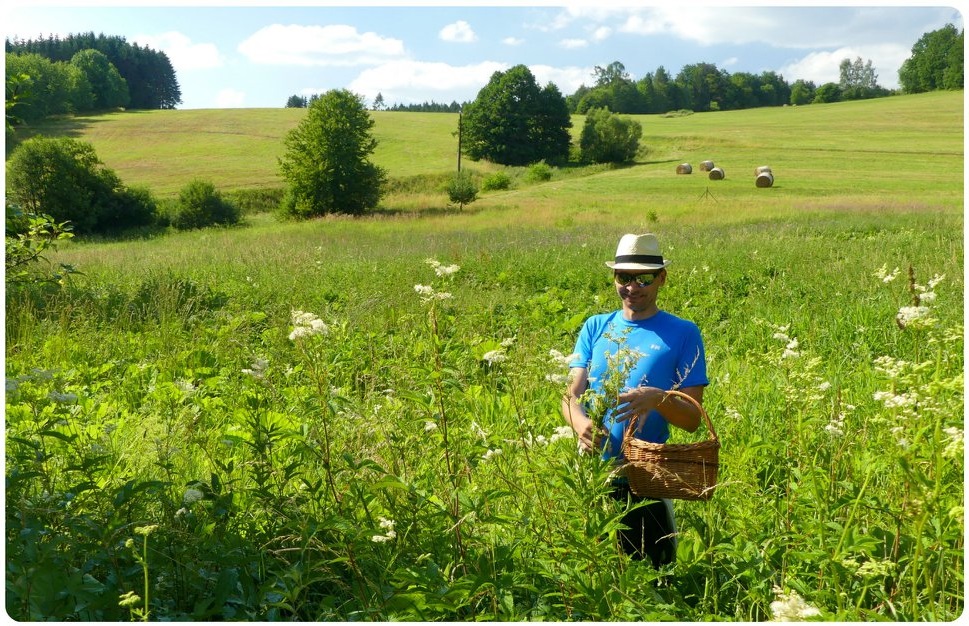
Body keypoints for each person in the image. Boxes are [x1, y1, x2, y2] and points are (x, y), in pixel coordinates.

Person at [561, 232, 708, 568]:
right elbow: (570, 395)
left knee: (654, 572)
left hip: (647, 477)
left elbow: (692, 418)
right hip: (592, 474)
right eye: (624, 277)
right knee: (596, 569)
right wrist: (581, 424)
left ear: (662, 279)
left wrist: (657, 399)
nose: (633, 287)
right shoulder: (596, 326)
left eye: (644, 278)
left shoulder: (684, 333)